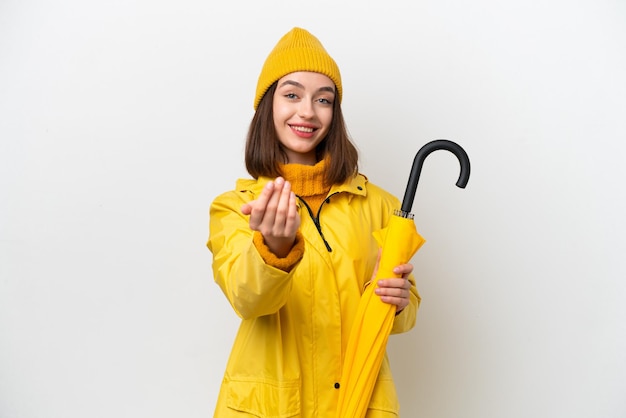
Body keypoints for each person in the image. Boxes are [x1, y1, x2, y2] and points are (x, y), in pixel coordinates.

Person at [207, 27, 421, 418]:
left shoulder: (381, 206)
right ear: (267, 105)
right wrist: (274, 250)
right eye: (291, 95)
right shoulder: (237, 207)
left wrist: (400, 300)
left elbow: (402, 316)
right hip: (271, 407)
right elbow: (247, 299)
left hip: (359, 401)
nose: (307, 111)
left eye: (323, 100)